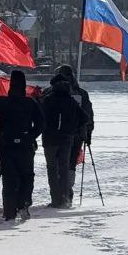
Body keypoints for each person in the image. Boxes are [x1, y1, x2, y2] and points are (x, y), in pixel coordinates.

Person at [0, 70, 44, 221]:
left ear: (10, 84)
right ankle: (24, 204)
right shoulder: (30, 103)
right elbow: (41, 123)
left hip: (5, 144)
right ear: (24, 85)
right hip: (25, 145)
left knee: (9, 178)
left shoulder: (2, 102)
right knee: (26, 176)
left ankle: (9, 211)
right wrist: (31, 136)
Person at [40, 78, 87, 207]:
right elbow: (84, 118)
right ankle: (65, 198)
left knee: (52, 169)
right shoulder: (71, 101)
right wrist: (74, 128)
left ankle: (55, 199)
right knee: (64, 168)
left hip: (49, 140)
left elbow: (39, 117)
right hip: (66, 140)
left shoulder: (48, 100)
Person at [51, 65, 94, 201]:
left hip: (57, 134)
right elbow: (88, 116)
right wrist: (88, 134)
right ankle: (67, 191)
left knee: (57, 164)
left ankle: (60, 194)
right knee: (70, 164)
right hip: (77, 134)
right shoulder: (81, 93)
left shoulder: (52, 92)